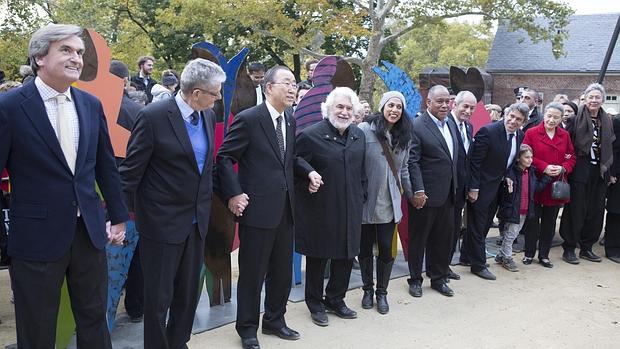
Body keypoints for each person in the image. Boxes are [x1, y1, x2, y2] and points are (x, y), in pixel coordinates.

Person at [0, 23, 128, 348]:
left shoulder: (90, 104)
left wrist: (119, 215)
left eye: (80, 52)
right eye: (67, 50)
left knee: (94, 319)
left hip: (89, 233)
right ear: (40, 57)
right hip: (36, 238)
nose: (76, 58)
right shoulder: (10, 107)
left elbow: (104, 166)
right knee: (37, 326)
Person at [121, 58, 226, 348]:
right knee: (158, 298)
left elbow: (207, 168)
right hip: (161, 224)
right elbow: (131, 170)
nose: (218, 99)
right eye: (215, 93)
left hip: (196, 222)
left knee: (187, 294)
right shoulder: (153, 116)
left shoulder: (206, 116)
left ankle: (178, 342)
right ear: (196, 93)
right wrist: (117, 215)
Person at [216, 65, 321, 349]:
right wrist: (234, 194)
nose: (292, 88)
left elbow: (290, 157)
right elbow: (224, 158)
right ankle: (247, 328)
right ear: (269, 87)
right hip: (257, 211)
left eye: (294, 84)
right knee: (252, 273)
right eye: (286, 83)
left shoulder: (290, 119)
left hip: (286, 210)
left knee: (282, 272)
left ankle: (275, 319)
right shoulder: (250, 119)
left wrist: (308, 171)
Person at [295, 87, 366, 325]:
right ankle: (315, 303)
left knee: (346, 255)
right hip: (321, 208)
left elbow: (362, 170)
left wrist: (362, 195)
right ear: (328, 108)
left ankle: (336, 298)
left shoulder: (358, 136)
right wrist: (309, 173)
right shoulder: (310, 135)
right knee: (318, 256)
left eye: (349, 108)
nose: (344, 112)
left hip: (351, 207)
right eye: (340, 107)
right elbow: (295, 162)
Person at [358, 91, 412, 314]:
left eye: (399, 107)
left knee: (387, 252)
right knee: (364, 251)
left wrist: (412, 194)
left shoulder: (405, 135)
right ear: (382, 106)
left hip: (390, 203)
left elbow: (405, 169)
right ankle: (367, 290)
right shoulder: (364, 130)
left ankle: (382, 292)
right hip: (365, 200)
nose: (394, 110)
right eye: (391, 105)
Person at [466, 103, 528, 280]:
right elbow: (475, 163)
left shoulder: (519, 135)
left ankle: (466, 257)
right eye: (511, 116)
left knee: (484, 226)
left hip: (497, 189)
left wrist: (508, 175)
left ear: (523, 122)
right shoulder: (489, 131)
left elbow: (508, 161)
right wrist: (473, 188)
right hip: (480, 188)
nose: (513, 121)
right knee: (477, 226)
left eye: (518, 119)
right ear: (505, 115)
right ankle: (478, 265)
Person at [407, 85, 459, 298]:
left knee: (442, 239)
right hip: (425, 196)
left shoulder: (451, 125)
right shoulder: (418, 126)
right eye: (440, 101)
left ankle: (437, 278)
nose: (445, 105)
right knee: (419, 240)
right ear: (428, 102)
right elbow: (413, 161)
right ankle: (415, 280)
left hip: (448, 194)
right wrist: (418, 190)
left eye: (447, 101)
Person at [559, 83, 615, 264]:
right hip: (579, 170)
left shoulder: (607, 120)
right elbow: (566, 144)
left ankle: (586, 247)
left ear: (602, 100)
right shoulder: (575, 120)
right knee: (575, 210)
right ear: (585, 98)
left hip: (599, 171)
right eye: (591, 97)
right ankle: (569, 247)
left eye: (597, 97)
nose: (594, 100)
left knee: (596, 211)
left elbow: (611, 147)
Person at [522, 102, 576, 268]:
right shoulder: (531, 133)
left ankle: (544, 255)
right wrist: (544, 166)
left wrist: (563, 168)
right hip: (537, 183)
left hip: (556, 186)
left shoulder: (564, 135)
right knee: (532, 221)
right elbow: (524, 153)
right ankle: (529, 253)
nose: (552, 120)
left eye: (556, 117)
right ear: (544, 115)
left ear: (561, 119)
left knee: (550, 222)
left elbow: (571, 156)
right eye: (549, 116)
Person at [496, 144, 550, 271]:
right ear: (518, 158)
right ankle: (507, 258)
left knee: (512, 235)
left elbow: (535, 189)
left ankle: (501, 255)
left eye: (531, 157)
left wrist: (547, 178)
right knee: (510, 235)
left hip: (525, 209)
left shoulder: (530, 172)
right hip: (513, 210)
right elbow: (506, 194)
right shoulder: (511, 173)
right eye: (526, 157)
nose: (530, 160)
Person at [446, 91, 476, 278]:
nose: (468, 110)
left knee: (454, 229)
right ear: (454, 104)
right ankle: (436, 267)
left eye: (472, 108)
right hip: (445, 188)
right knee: (443, 230)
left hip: (461, 188)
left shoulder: (469, 127)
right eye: (465, 106)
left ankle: (445, 265)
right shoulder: (445, 124)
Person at [604, 112, 620, 263]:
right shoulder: (617, 121)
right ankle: (612, 249)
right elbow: (613, 149)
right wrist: (612, 173)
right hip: (618, 176)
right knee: (616, 213)